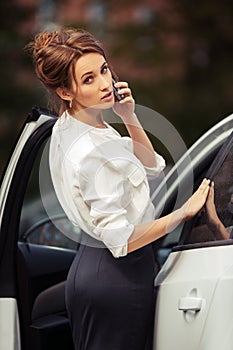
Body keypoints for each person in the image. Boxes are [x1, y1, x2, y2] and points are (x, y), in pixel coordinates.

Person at [28, 27, 211, 350]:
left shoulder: (73, 125)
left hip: (94, 269)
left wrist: (128, 116)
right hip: (118, 275)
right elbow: (120, 240)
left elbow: (151, 167)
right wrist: (183, 213)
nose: (103, 83)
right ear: (65, 92)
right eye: (88, 79)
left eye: (103, 70)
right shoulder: (91, 151)